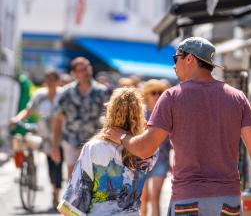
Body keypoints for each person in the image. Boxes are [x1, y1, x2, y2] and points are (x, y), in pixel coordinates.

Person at [105, 37, 251, 216]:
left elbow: (144, 148)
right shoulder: (237, 98)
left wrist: (121, 136)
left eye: (176, 58)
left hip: (188, 199)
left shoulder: (172, 97)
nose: (174, 66)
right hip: (228, 200)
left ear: (190, 58)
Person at [57, 87, 157, 216]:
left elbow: (78, 194)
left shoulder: (93, 147)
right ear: (139, 114)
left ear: (110, 111)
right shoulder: (149, 151)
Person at [11, 70, 63, 209]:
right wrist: (17, 118)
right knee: (51, 165)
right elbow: (28, 110)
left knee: (58, 165)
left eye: (53, 80)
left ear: (58, 81)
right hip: (45, 137)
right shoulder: (40, 95)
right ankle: (49, 187)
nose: (50, 83)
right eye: (48, 80)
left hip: (62, 137)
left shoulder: (63, 95)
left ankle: (56, 194)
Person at [51, 57, 108, 179]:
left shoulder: (102, 92)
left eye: (88, 67)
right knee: (73, 176)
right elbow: (57, 120)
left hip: (94, 141)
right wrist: (55, 146)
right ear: (75, 73)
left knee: (93, 176)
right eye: (82, 69)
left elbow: (109, 118)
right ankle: (73, 198)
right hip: (71, 139)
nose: (86, 71)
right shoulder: (65, 93)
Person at [140, 79, 170, 216]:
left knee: (155, 198)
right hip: (141, 161)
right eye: (153, 92)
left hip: (161, 161)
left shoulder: (167, 114)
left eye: (160, 92)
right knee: (143, 199)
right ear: (146, 94)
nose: (157, 96)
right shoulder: (140, 115)